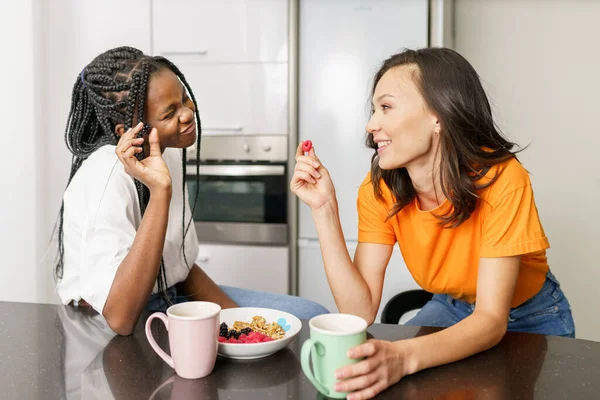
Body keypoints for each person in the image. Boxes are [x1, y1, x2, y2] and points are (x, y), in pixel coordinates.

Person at [290, 47, 574, 400]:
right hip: (453, 304)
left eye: (386, 107)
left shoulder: (502, 178)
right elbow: (358, 311)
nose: (370, 124)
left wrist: (403, 357)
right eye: (374, 109)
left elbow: (489, 318)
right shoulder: (381, 188)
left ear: (438, 115)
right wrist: (324, 210)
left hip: (532, 314)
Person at [54, 46, 327, 336]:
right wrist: (160, 192)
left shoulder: (166, 150)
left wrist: (244, 325)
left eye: (184, 98)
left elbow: (178, 269)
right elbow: (120, 318)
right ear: (127, 130)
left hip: (168, 296)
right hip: (105, 323)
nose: (188, 112)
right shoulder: (106, 176)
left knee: (311, 318)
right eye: (170, 112)